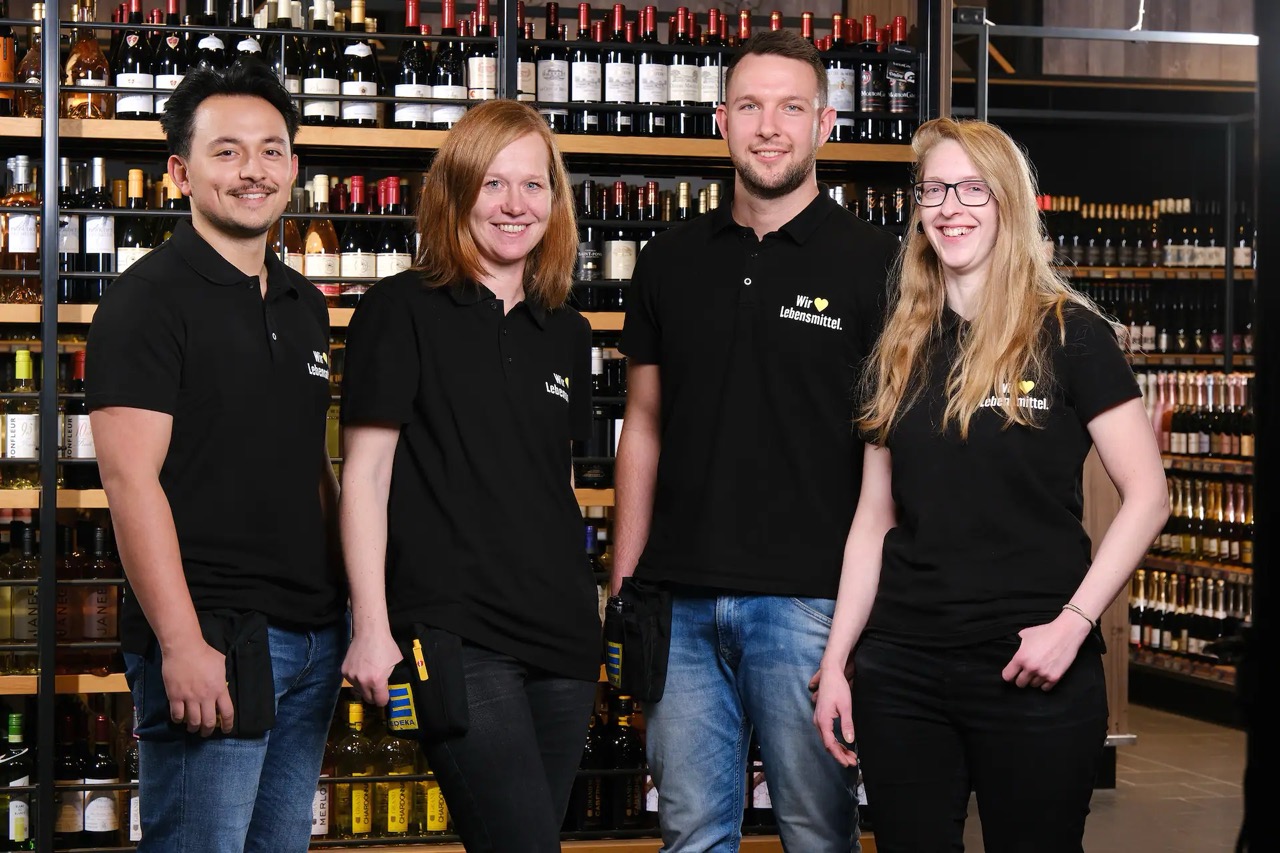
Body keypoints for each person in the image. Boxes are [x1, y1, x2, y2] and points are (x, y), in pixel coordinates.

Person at [810, 117, 1170, 853]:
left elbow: (1149, 495)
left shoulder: (1070, 333)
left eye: (973, 188)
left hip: (1034, 665)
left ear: (1009, 202)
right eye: (935, 189)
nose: (951, 207)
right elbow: (874, 518)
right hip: (903, 670)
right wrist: (838, 660)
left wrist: (1073, 625)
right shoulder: (899, 344)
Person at [611, 29, 899, 852]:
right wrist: (628, 587)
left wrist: (857, 619)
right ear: (720, 120)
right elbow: (644, 428)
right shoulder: (669, 258)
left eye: (790, 107)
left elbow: (890, 461)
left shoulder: (877, 263)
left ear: (825, 123)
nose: (769, 126)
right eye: (750, 107)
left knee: (817, 833)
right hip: (680, 605)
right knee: (691, 834)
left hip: (809, 607)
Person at [85, 64, 347, 852]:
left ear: (294, 167)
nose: (253, 171)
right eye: (227, 152)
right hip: (215, 634)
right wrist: (181, 643)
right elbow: (130, 481)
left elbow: (313, 466)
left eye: (271, 151)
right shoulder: (147, 300)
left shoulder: (303, 304)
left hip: (310, 635)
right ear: (179, 171)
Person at [338, 98, 599, 852]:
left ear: (555, 200)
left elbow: (551, 482)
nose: (515, 206)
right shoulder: (400, 310)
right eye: (492, 184)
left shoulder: (567, 329)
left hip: (562, 637)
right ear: (455, 193)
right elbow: (366, 477)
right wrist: (373, 627)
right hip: (455, 634)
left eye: (534, 185)